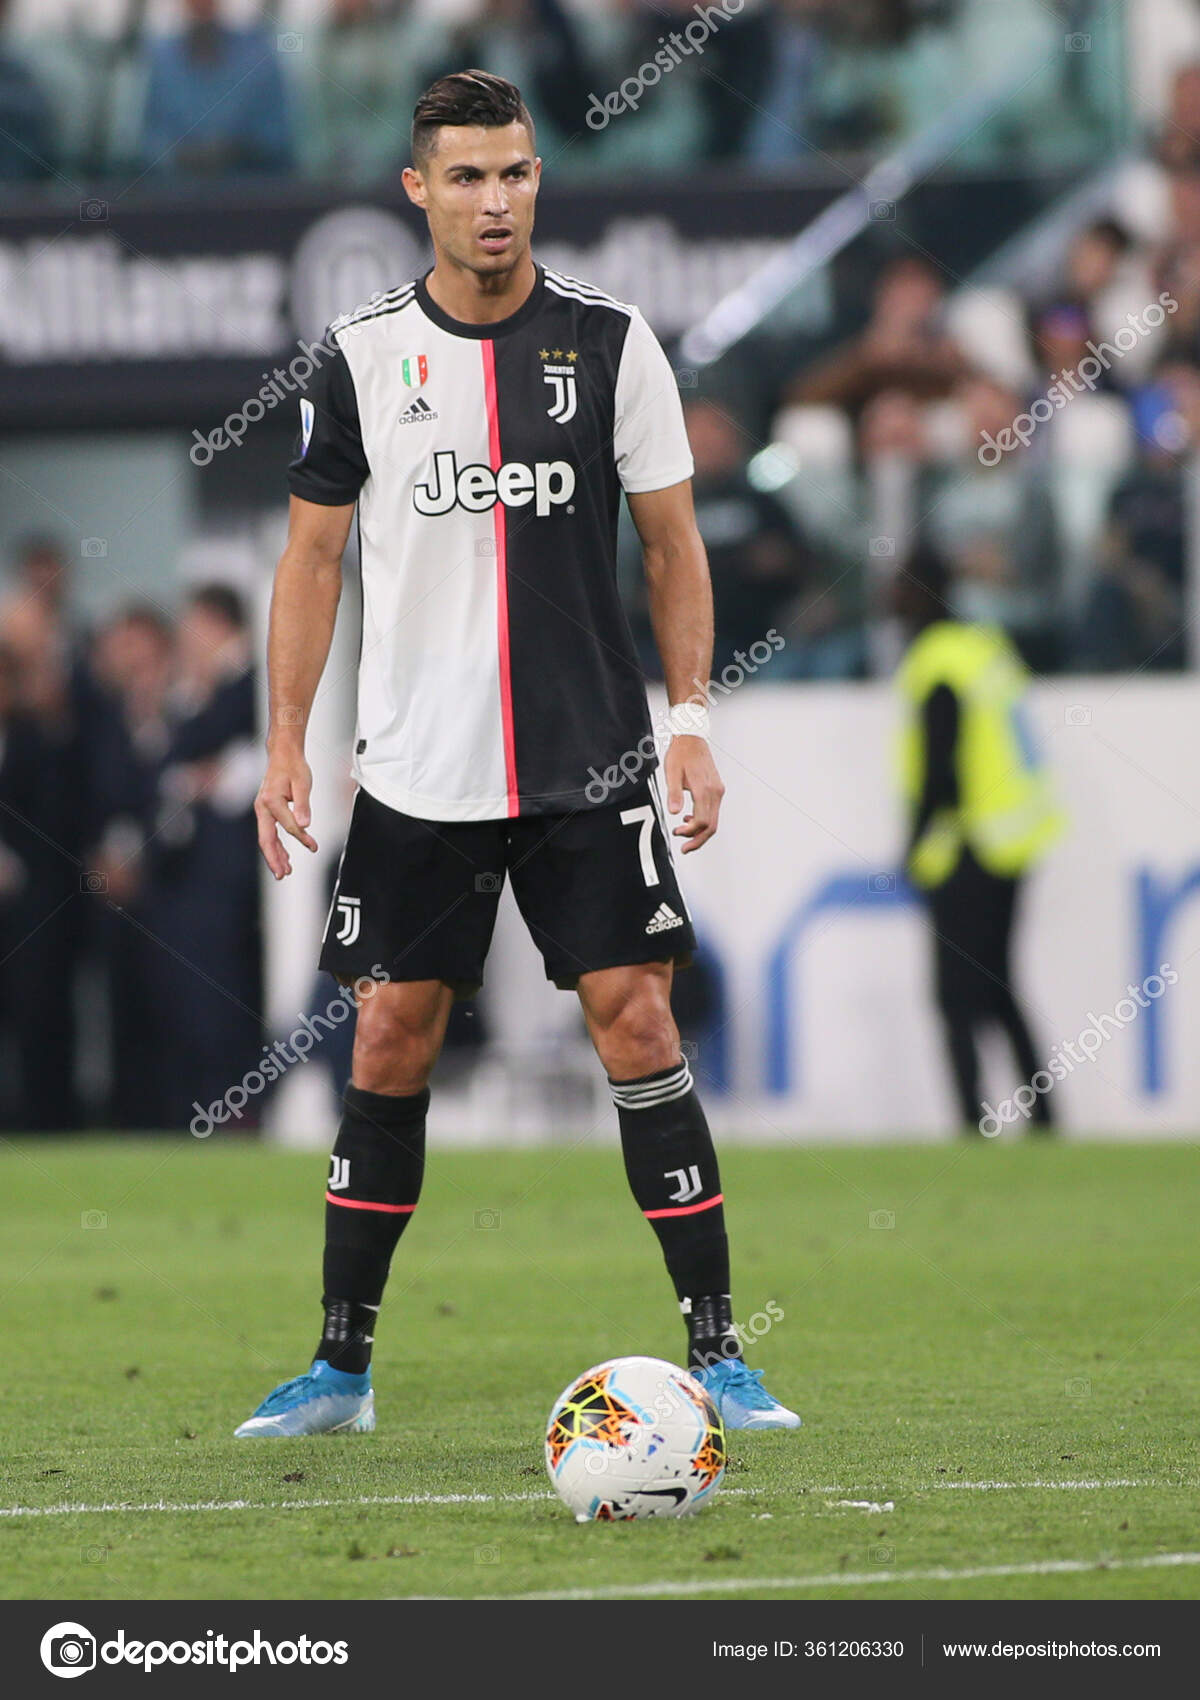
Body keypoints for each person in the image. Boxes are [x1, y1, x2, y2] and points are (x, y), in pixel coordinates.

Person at [239, 69, 799, 1439]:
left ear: (539, 179)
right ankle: (341, 1369)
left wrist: (693, 723)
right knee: (389, 1036)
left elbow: (672, 545)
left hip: (589, 760)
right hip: (419, 770)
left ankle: (722, 1352)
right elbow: (311, 565)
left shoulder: (613, 343)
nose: (497, 201)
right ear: (418, 191)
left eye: (518, 173)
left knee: (642, 1021)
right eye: (469, 177)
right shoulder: (361, 355)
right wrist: (283, 747)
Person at [893, 544, 1064, 1139]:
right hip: (1014, 838)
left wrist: (913, 846)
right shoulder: (984, 648)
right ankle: (1044, 1116)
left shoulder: (937, 661)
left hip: (969, 845)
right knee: (999, 984)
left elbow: (943, 768)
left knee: (954, 996)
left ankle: (971, 1119)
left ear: (916, 594)